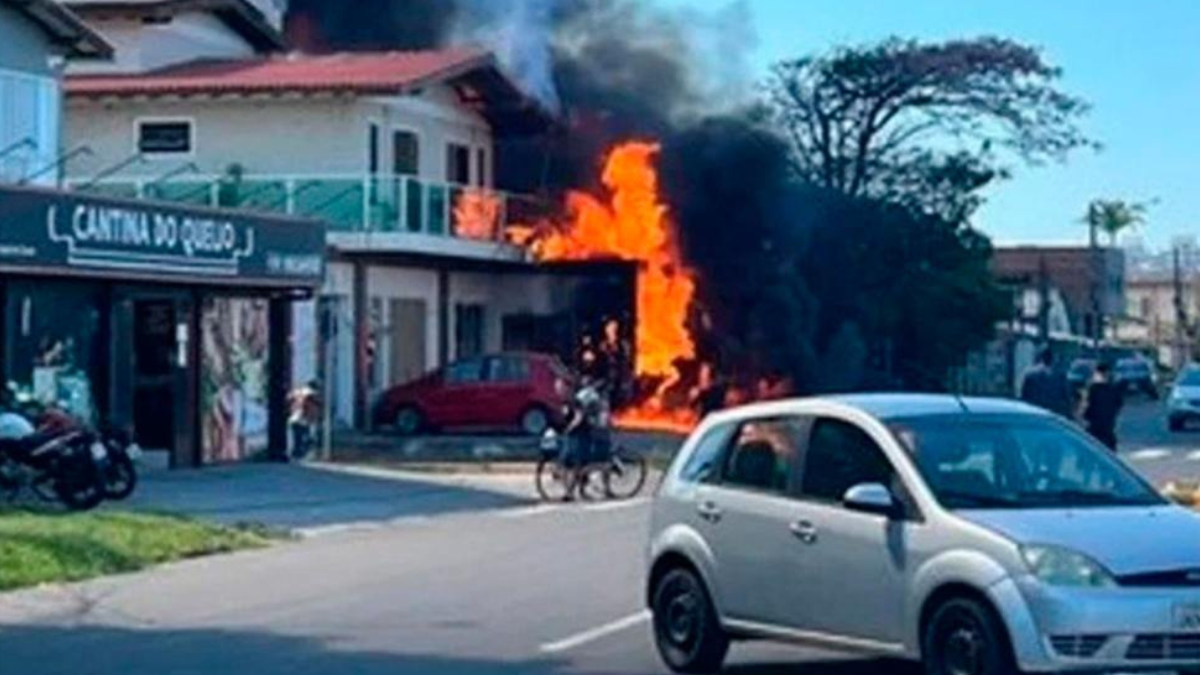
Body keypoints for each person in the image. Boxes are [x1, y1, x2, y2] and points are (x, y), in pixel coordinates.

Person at [1020, 347, 1074, 419]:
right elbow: (1066, 398)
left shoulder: (1030, 374)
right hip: (1054, 415)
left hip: (1034, 412)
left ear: (1041, 358)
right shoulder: (1060, 375)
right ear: (1053, 359)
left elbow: (1024, 396)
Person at [1082, 362, 1124, 451]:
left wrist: (1086, 416)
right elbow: (1119, 404)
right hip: (1108, 426)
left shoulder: (1093, 389)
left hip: (1095, 427)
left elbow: (1087, 407)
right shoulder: (1113, 388)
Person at [288, 380, 321, 460]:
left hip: (294, 419)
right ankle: (299, 454)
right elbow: (310, 406)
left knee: (298, 439)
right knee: (305, 438)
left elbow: (289, 398)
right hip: (303, 419)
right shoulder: (310, 394)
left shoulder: (298, 391)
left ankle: (296, 455)